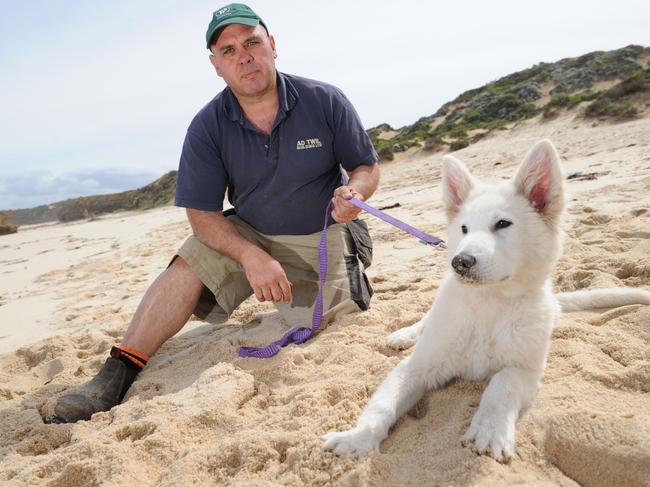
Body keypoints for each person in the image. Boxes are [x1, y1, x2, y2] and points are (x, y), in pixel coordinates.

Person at [50, 3, 379, 423]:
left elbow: (365, 167)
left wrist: (356, 192)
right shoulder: (206, 126)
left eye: (252, 42)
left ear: (272, 47)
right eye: (228, 50)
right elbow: (202, 215)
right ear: (216, 66)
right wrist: (251, 256)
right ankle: (119, 369)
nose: (243, 56)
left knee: (340, 323)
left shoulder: (324, 99)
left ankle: (340, 280)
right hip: (252, 234)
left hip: (322, 229)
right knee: (189, 259)